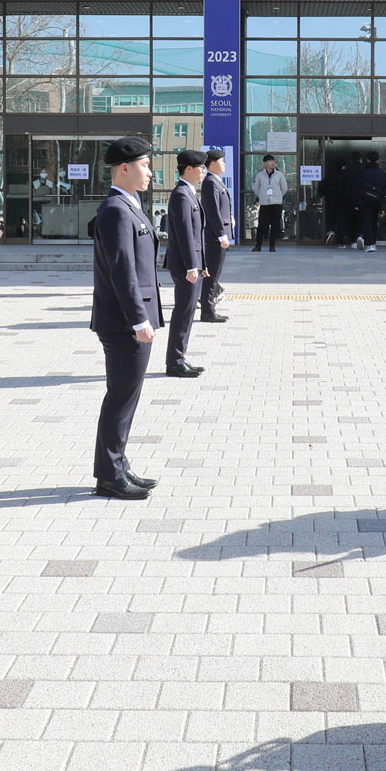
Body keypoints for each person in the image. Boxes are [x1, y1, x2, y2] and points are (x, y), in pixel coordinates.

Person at [89, 135, 162, 500]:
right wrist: (138, 319)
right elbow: (123, 269)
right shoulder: (117, 209)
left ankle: (117, 465)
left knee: (126, 396)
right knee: (120, 397)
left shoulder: (129, 205)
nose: (150, 171)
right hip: (123, 322)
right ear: (125, 168)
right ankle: (109, 476)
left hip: (129, 318)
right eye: (145, 165)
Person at [164, 149, 206, 378]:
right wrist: (192, 265)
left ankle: (180, 358)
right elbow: (184, 233)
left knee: (188, 312)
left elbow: (197, 233)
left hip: (194, 264)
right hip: (185, 265)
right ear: (188, 169)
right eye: (200, 168)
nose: (203, 172)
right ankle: (174, 362)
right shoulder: (181, 194)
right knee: (183, 312)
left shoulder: (189, 193)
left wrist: (203, 264)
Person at [200, 148, 233, 322]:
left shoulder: (216, 182)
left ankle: (209, 308)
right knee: (211, 276)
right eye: (221, 161)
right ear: (212, 164)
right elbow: (212, 211)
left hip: (219, 236)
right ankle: (207, 311)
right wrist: (222, 235)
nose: (224, 164)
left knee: (214, 275)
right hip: (214, 238)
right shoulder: (211, 182)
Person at [251, 154, 287, 251]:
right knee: (262, 225)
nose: (272, 163)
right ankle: (258, 245)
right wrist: (262, 196)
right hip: (265, 204)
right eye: (270, 161)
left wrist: (278, 196)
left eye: (273, 161)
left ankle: (272, 246)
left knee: (275, 225)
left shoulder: (279, 175)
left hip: (276, 204)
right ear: (265, 163)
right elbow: (255, 188)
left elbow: (284, 188)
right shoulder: (260, 175)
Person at [356, 151, 386, 251]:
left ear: (368, 159)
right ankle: (373, 242)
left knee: (367, 221)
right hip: (377, 200)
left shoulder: (363, 171)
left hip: (365, 200)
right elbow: (384, 187)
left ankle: (370, 243)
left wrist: (357, 200)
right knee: (374, 221)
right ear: (377, 160)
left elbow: (358, 187)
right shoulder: (381, 173)